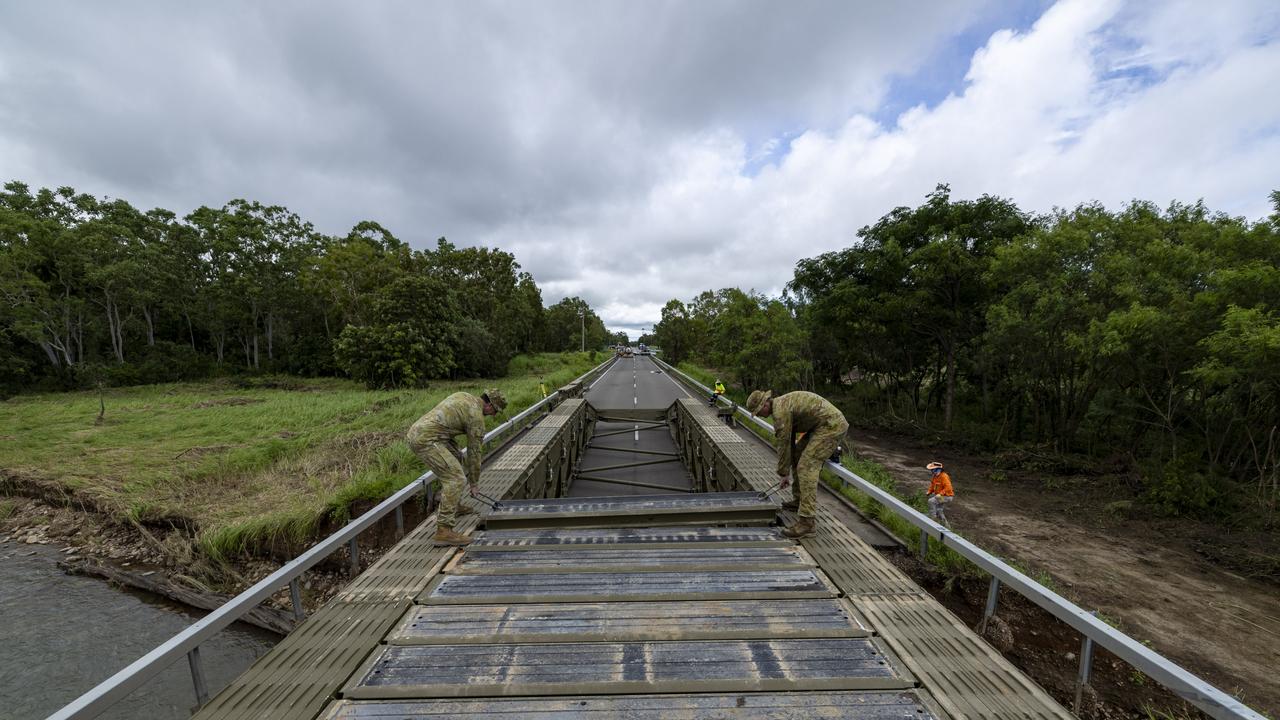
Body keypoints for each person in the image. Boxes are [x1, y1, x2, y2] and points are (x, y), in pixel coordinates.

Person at [406, 389, 507, 546]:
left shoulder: (465, 396)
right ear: (488, 405)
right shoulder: (476, 418)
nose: (493, 415)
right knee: (456, 479)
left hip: (424, 432)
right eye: (495, 411)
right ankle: (444, 531)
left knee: (457, 457)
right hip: (426, 440)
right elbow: (475, 453)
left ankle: (455, 505)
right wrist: (474, 483)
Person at [746, 389, 848, 539]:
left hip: (831, 426)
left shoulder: (780, 413)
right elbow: (790, 447)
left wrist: (783, 473)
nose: (759, 415)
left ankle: (807, 523)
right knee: (798, 454)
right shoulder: (781, 406)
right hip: (821, 425)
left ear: (765, 405)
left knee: (806, 466)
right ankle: (799, 500)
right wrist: (785, 470)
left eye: (758, 411)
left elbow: (783, 444)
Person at [925, 461, 954, 528]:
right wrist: (929, 491)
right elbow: (932, 485)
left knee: (931, 501)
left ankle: (933, 520)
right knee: (939, 510)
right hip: (941, 496)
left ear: (938, 469)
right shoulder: (935, 477)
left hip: (947, 497)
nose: (931, 471)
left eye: (932, 470)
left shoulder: (944, 476)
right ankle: (947, 526)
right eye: (931, 470)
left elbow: (949, 487)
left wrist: (940, 494)